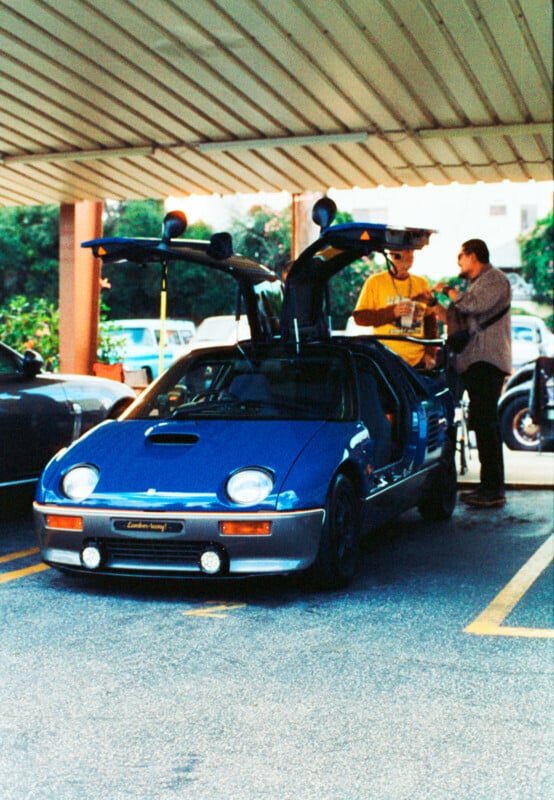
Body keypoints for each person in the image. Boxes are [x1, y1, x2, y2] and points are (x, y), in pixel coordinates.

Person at [421, 239, 512, 508]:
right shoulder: (475, 285)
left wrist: (446, 290)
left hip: (487, 361)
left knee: (486, 424)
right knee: (482, 423)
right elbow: (457, 318)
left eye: (460, 256)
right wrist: (435, 304)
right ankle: (489, 487)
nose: (458, 261)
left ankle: (493, 489)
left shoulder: (495, 279)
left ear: (473, 256)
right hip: (474, 362)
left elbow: (471, 305)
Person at [353, 249, 438, 369]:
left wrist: (430, 354)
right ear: (393, 255)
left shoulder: (421, 283)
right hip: (386, 360)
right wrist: (392, 312)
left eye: (412, 252)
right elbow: (360, 318)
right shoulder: (375, 282)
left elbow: (431, 323)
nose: (411, 256)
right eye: (406, 251)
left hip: (417, 362)